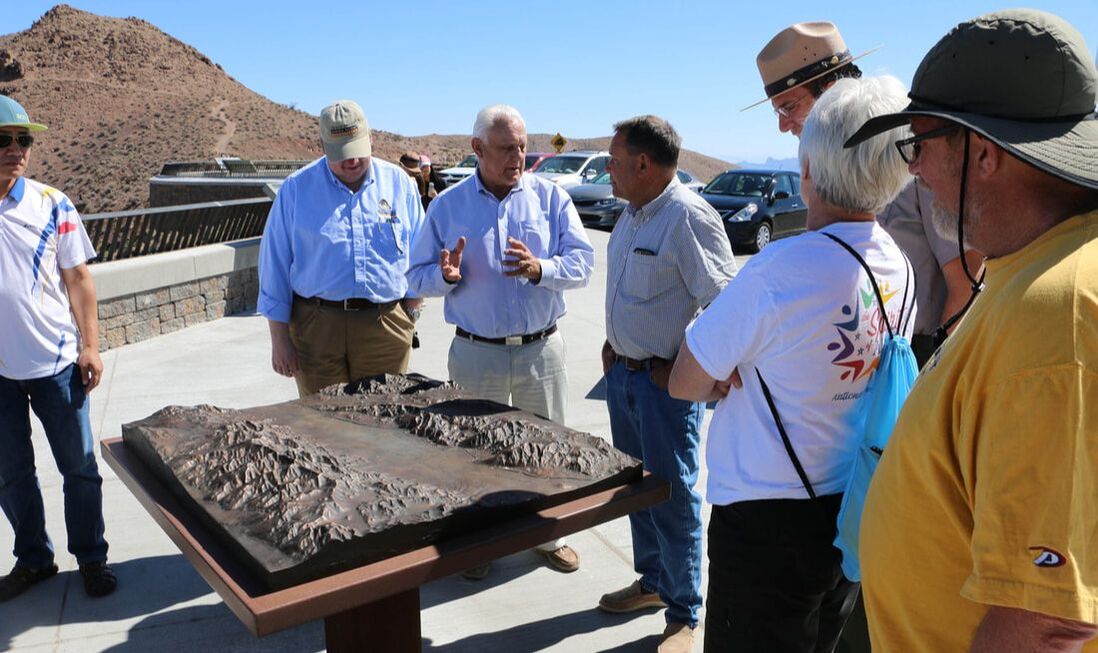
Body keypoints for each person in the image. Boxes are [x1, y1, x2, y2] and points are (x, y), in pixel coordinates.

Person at [845, 10, 1098, 651]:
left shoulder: (1057, 314)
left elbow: (1049, 622)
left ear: (982, 153)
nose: (916, 170)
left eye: (919, 144)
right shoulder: (1040, 271)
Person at [669, 75, 915, 653]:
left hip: (765, 520)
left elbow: (686, 380)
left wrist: (730, 368)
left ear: (807, 171)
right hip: (852, 503)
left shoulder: (779, 269)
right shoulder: (899, 264)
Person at [407, 104, 593, 577]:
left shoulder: (551, 199)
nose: (519, 156)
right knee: (474, 451)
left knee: (547, 449)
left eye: (523, 146)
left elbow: (582, 264)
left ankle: (551, 536)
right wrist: (444, 276)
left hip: (540, 351)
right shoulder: (447, 206)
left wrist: (542, 269)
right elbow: (415, 276)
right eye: (507, 148)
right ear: (477, 149)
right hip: (476, 352)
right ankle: (479, 545)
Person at [750, 21, 982, 367]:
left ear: (830, 89)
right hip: (841, 353)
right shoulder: (821, 161)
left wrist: (938, 374)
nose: (783, 125)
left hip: (910, 356)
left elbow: (966, 274)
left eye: (788, 108)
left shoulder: (907, 148)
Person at [598, 114, 737, 653]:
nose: (607, 168)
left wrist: (683, 367)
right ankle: (654, 582)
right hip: (624, 378)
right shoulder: (632, 214)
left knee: (674, 494)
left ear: (643, 163)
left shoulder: (687, 217)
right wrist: (616, 343)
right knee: (635, 488)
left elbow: (723, 303)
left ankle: (685, 613)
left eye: (614, 160)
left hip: (664, 388)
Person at [0, 94, 116, 601]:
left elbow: (79, 278)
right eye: (4, 139)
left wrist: (90, 346)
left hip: (56, 365)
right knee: (12, 475)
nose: (17, 149)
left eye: (24, 139)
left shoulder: (53, 203)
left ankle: (91, 558)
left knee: (80, 468)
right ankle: (34, 560)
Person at [258, 100, 425, 397]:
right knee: (325, 428)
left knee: (384, 424)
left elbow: (420, 249)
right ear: (322, 147)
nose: (351, 161)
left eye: (357, 151)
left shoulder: (400, 184)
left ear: (371, 139)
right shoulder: (296, 189)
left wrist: (411, 310)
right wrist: (279, 339)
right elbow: (275, 264)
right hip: (316, 329)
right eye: (341, 154)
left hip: (385, 326)